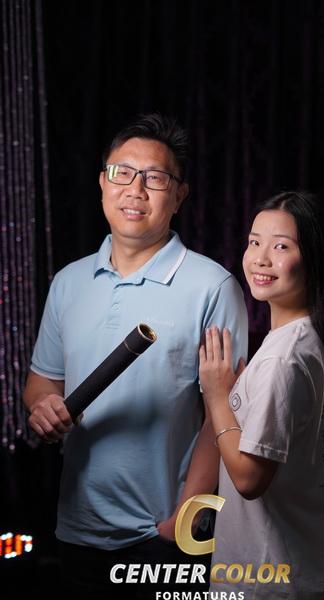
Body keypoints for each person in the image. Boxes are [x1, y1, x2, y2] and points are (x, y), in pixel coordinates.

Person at [23, 113, 248, 599]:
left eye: (155, 178)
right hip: (76, 529)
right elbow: (43, 380)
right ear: (103, 183)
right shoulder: (68, 282)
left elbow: (226, 412)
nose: (135, 189)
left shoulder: (212, 286)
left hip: (161, 534)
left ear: (179, 195)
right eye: (122, 172)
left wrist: (184, 517)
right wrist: (42, 405)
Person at [199, 191, 324, 600]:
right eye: (254, 242)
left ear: (314, 259)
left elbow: (249, 478)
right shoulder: (302, 339)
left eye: (281, 246)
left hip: (266, 582)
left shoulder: (283, 358)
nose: (260, 258)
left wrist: (217, 397)